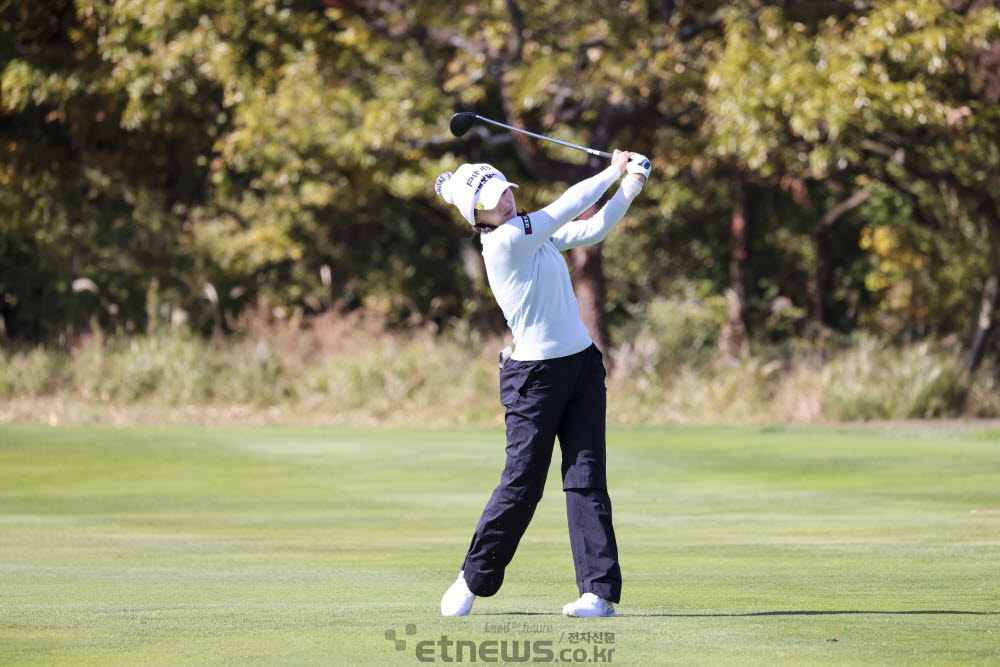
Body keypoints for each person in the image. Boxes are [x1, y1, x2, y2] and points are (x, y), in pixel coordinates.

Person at [434, 149, 650, 617]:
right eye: (493, 200)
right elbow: (569, 204)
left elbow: (592, 228)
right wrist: (613, 170)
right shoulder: (506, 242)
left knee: (587, 478)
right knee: (522, 484)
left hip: (581, 367)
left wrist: (631, 185)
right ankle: (473, 579)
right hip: (533, 380)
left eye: (506, 191)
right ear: (478, 216)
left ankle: (598, 593)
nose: (506, 201)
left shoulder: (533, 233)